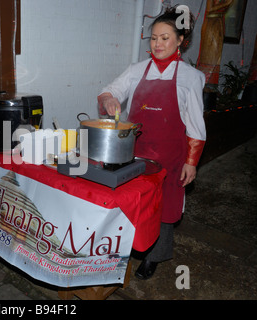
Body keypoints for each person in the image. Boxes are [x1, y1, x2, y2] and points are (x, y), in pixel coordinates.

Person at [97, 6, 206, 280]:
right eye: (154, 38)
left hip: (170, 156)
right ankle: (127, 247)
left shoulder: (190, 78)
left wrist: (191, 162)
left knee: (163, 207)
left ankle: (153, 257)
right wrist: (108, 98)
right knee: (132, 201)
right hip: (135, 151)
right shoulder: (136, 70)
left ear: (181, 41)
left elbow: (196, 126)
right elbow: (110, 90)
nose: (157, 44)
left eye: (165, 38)